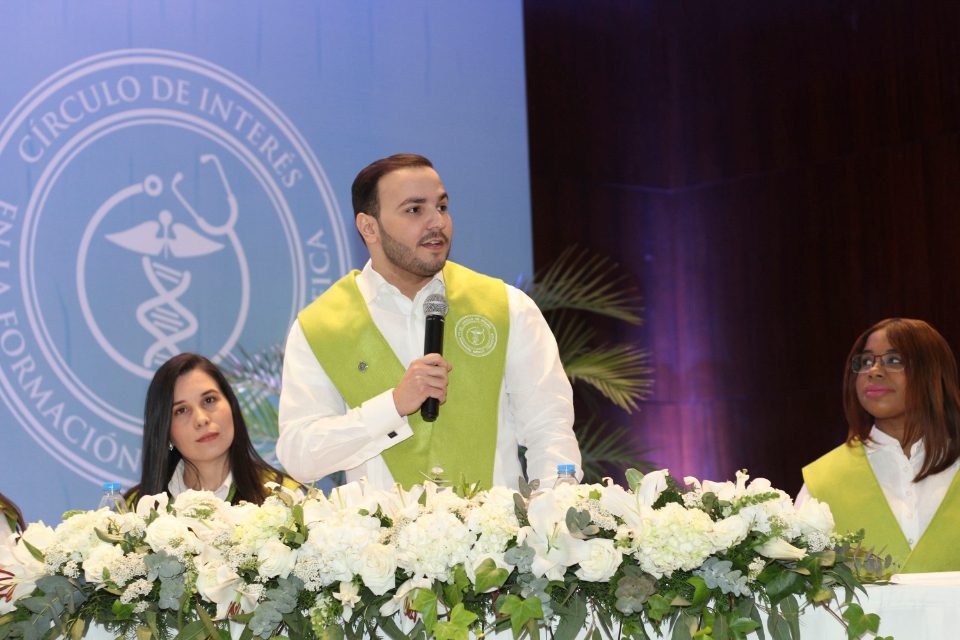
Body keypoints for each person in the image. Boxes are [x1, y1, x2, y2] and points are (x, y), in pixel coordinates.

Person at [277, 153, 580, 490]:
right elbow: (300, 456)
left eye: (442, 207)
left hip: (500, 524)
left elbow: (549, 428)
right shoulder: (321, 327)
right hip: (378, 526)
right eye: (414, 210)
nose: (437, 222)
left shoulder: (505, 307)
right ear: (369, 227)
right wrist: (393, 406)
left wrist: (553, 509)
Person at [799, 318, 960, 573]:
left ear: (933, 372)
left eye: (894, 360)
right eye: (865, 362)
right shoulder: (823, 480)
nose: (873, 371)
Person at [127, 352, 300, 507]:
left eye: (209, 400)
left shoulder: (283, 496)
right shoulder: (136, 509)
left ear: (231, 405)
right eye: (181, 410)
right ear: (165, 431)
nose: (201, 419)